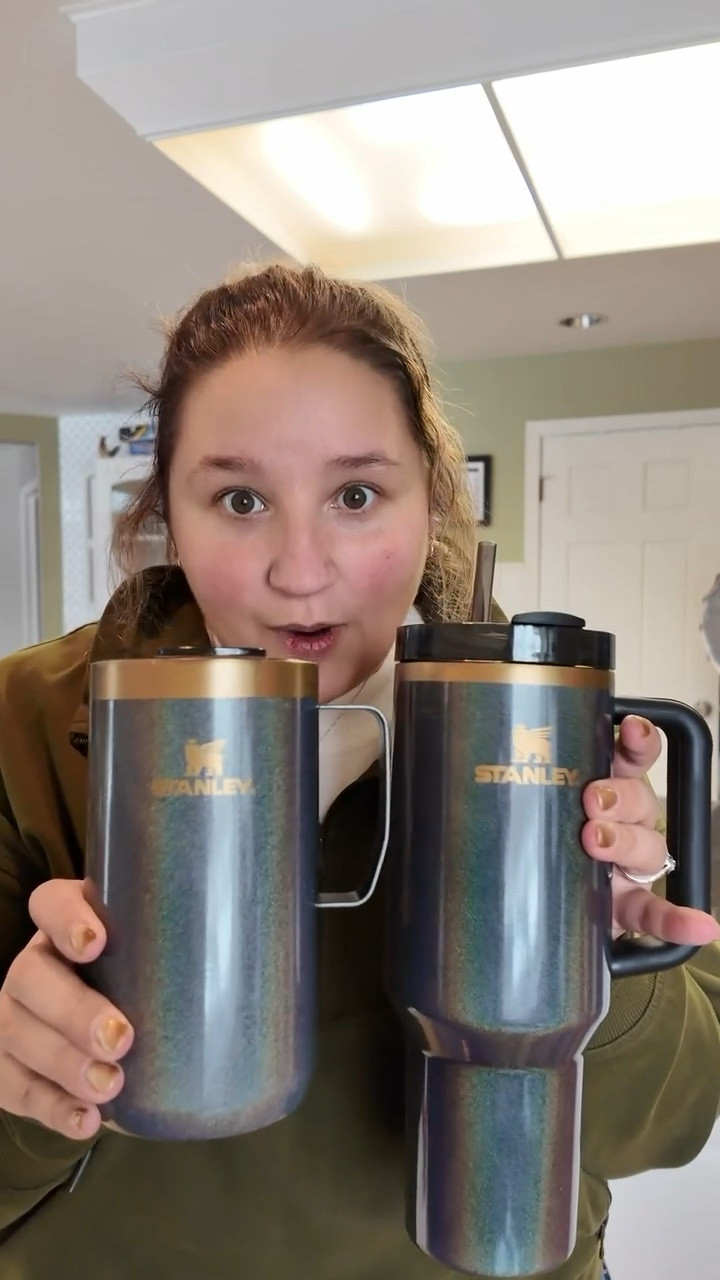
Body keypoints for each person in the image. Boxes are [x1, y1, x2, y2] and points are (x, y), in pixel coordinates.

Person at [0, 263, 719, 1280]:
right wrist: (23, 1081)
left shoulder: (555, 740)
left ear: (430, 497)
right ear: (169, 506)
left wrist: (600, 953)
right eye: (241, 497)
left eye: (355, 492)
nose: (301, 568)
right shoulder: (25, 722)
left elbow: (672, 1126)